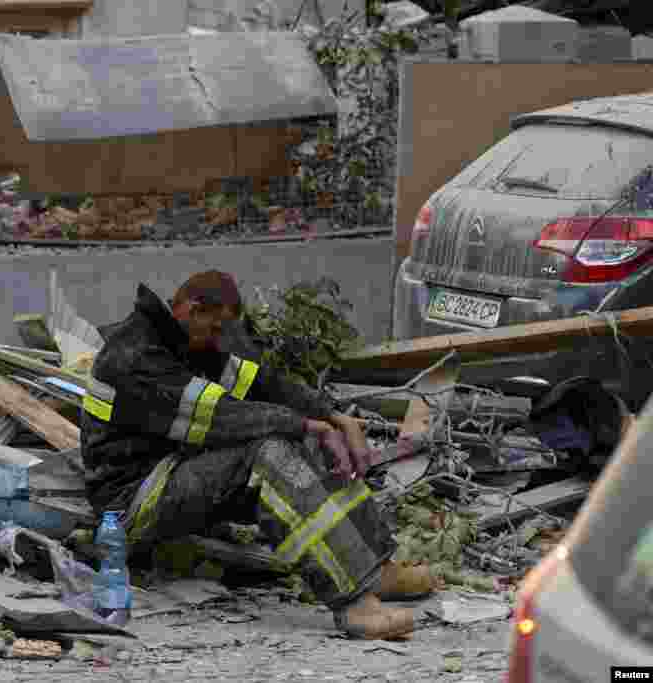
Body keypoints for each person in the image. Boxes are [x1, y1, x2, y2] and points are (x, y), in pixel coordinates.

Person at [81, 271, 435, 640]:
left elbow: (263, 384)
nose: (220, 340)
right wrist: (306, 425)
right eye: (216, 329)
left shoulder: (185, 341)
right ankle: (355, 605)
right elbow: (223, 417)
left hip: (175, 472)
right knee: (268, 453)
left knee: (308, 442)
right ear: (192, 309)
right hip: (132, 504)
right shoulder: (133, 357)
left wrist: (333, 417)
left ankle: (373, 567)